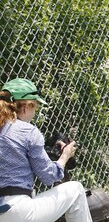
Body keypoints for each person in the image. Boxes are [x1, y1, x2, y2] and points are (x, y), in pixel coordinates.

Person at [0, 78, 92, 222]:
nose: (34, 112)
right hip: (18, 210)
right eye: (35, 106)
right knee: (76, 189)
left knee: (32, 193)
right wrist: (65, 156)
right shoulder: (27, 131)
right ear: (25, 107)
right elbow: (49, 176)